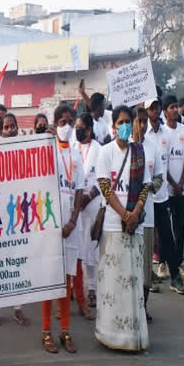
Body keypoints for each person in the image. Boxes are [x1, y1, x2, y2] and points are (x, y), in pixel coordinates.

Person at [95, 105, 151, 351]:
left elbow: (146, 187)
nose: (126, 125)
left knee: (132, 280)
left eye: (129, 121)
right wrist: (125, 213)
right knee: (113, 284)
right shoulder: (105, 152)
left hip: (134, 226)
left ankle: (132, 337)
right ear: (113, 126)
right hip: (113, 225)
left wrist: (135, 213)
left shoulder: (139, 152)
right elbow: (106, 188)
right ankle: (110, 334)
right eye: (122, 122)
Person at [41, 105, 84, 353]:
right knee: (49, 278)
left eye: (70, 121)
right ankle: (46, 331)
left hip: (70, 224)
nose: (66, 126)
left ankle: (65, 330)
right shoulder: (48, 150)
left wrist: (73, 220)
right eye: (62, 121)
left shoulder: (76, 155)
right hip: (50, 223)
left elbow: (79, 190)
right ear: (55, 123)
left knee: (66, 280)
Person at [0, 112, 31, 326]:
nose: (10, 129)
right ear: (0, 129)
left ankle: (17, 308)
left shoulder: (25, 149)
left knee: (18, 262)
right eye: (6, 127)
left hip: (19, 214)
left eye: (12, 125)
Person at [131, 106, 164, 323]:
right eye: (139, 121)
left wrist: (149, 186)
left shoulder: (153, 148)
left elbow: (159, 178)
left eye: (145, 121)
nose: (143, 125)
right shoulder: (125, 147)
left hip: (148, 216)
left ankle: (142, 308)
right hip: (126, 216)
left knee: (144, 267)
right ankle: (128, 308)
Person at [144, 98, 178, 290]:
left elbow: (167, 165)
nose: (155, 111)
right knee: (147, 239)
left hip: (162, 195)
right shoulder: (142, 135)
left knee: (167, 237)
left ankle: (175, 276)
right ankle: (147, 277)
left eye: (157, 108)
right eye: (152, 109)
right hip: (145, 198)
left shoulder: (167, 134)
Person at [73, 113, 101, 310]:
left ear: (89, 130)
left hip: (92, 203)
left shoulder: (99, 149)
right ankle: (76, 288)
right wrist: (77, 199)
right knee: (76, 247)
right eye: (76, 126)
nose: (77, 129)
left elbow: (103, 178)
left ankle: (92, 289)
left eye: (80, 126)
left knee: (91, 247)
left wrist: (88, 196)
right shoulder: (73, 148)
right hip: (75, 205)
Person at [164, 95, 184, 285]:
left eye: (176, 107)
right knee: (167, 230)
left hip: (183, 189)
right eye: (171, 107)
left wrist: (181, 183)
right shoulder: (162, 133)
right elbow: (161, 163)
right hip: (167, 190)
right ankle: (168, 262)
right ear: (165, 111)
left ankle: (179, 261)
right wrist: (173, 185)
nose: (175, 110)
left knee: (180, 228)